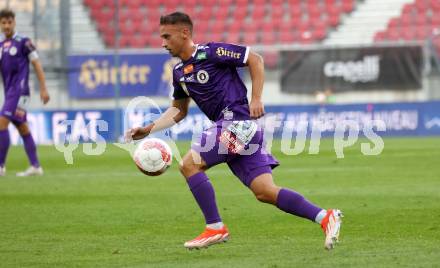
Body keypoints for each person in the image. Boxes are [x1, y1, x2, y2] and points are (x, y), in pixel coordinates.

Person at [127, 12, 342, 250]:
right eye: (161, 37)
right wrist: (148, 130)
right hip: (238, 130)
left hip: (237, 122)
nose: (163, 43)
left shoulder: (211, 52)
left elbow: (255, 59)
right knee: (264, 192)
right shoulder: (179, 73)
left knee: (189, 164)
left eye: (167, 36)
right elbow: (178, 110)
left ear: (184, 33)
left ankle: (215, 227)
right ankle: (325, 217)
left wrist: (256, 98)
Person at [0, 9, 50, 177]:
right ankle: (35, 166)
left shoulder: (24, 42)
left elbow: (36, 64)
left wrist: (43, 88)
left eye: (9, 22)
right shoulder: (1, 46)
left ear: (14, 22)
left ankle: (0, 166)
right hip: (10, 92)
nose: (6, 26)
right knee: (22, 128)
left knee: (1, 123)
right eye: (3, 23)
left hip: (20, 91)